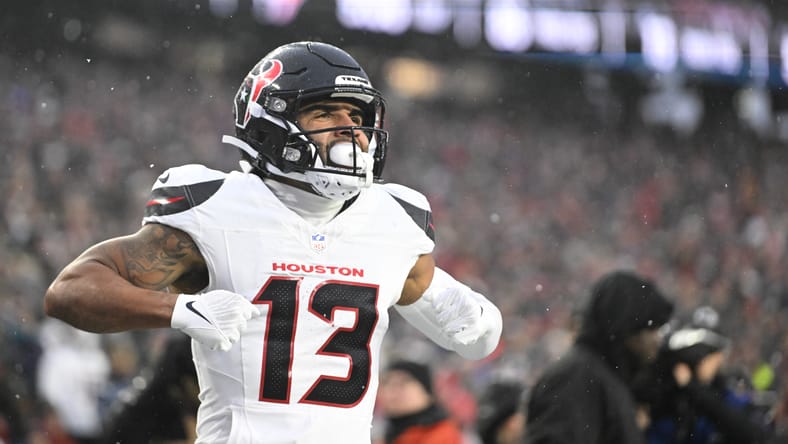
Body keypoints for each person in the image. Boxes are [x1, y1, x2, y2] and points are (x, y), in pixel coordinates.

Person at [43, 41, 502, 444]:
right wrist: (179, 312)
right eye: (325, 112)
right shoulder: (216, 207)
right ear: (270, 123)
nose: (351, 128)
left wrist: (472, 320)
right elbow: (70, 292)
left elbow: (477, 336)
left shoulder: (393, 222)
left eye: (357, 116)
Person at [523, 270, 674, 444]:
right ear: (627, 326)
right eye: (652, 328)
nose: (658, 339)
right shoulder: (577, 377)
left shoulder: (605, 377)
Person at [635, 318, 776, 444]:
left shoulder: (719, 390)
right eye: (714, 358)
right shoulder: (667, 393)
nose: (719, 363)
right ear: (699, 359)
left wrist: (693, 388)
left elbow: (751, 433)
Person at [375, 360, 464, 444]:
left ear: (427, 392)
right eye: (387, 382)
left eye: (404, 382)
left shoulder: (443, 433)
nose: (393, 390)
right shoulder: (385, 433)